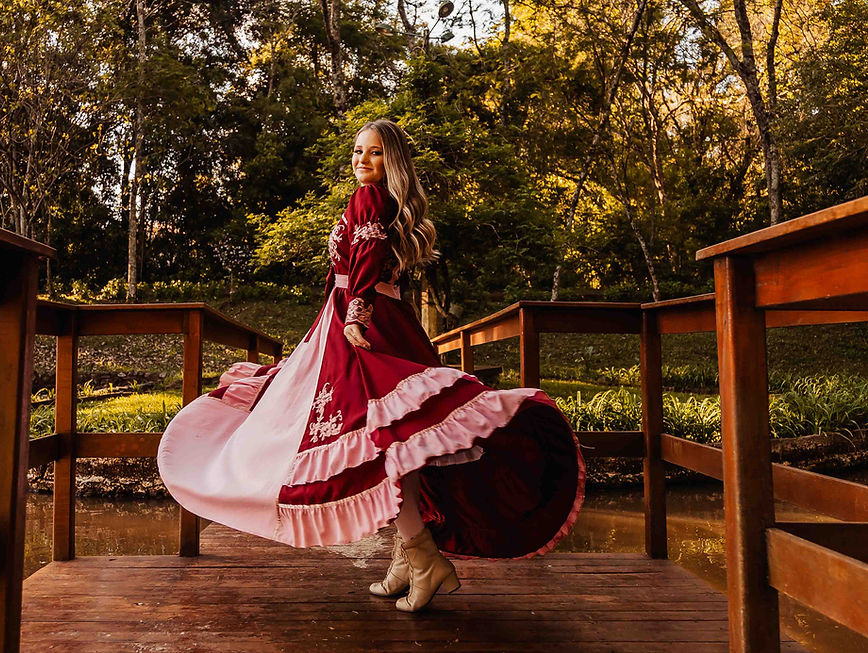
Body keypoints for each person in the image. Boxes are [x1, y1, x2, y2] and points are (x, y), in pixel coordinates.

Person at [157, 119, 585, 613]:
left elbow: (367, 253)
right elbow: (371, 255)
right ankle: (407, 559)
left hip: (364, 324)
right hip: (380, 318)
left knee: (386, 442)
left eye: (375, 153)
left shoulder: (369, 198)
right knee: (398, 441)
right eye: (358, 151)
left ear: (392, 161)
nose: (362, 160)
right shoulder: (385, 202)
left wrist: (355, 312)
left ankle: (424, 560)